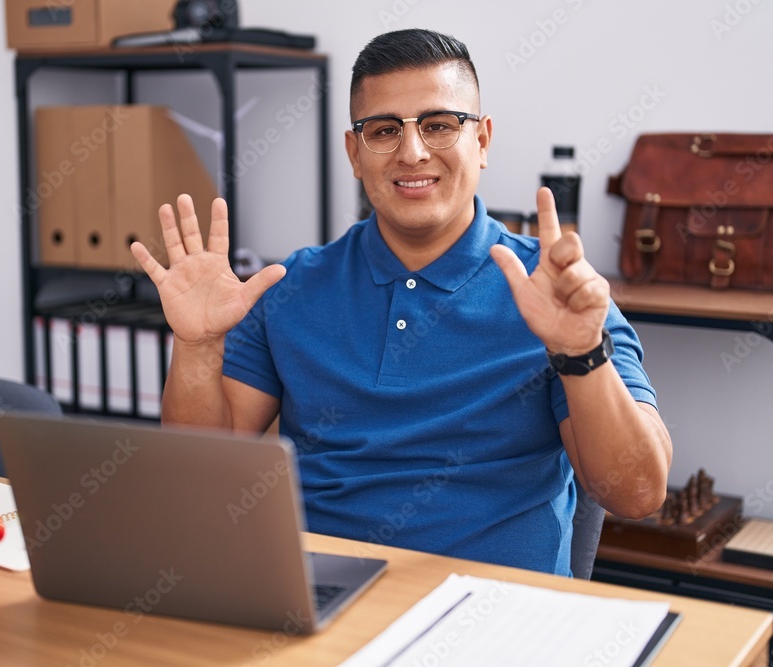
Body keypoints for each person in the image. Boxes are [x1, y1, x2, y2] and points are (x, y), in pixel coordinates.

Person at [130, 28, 672, 576]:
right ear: (354, 153)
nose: (412, 153)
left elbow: (638, 493)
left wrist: (582, 351)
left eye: (439, 125)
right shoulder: (289, 286)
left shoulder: (560, 291)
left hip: (496, 617)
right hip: (318, 606)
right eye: (384, 131)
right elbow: (202, 475)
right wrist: (197, 346)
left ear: (481, 142)